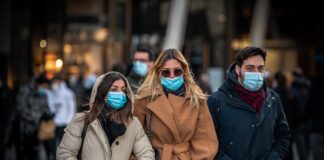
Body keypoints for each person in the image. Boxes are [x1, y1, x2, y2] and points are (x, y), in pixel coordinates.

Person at [207, 46, 291, 160]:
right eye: (250, 68)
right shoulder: (216, 101)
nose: (256, 73)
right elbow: (208, 142)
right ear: (238, 69)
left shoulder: (273, 99)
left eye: (260, 68)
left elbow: (283, 136)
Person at [134, 48, 218, 160]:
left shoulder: (196, 99)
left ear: (184, 72)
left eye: (177, 71)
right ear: (159, 74)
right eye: (166, 72)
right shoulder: (145, 97)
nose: (172, 76)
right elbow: (134, 136)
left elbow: (205, 141)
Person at [57, 71, 154, 160]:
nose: (120, 93)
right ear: (102, 93)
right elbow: (65, 154)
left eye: (123, 90)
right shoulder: (81, 121)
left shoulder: (133, 123)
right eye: (114, 89)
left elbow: (147, 154)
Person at [16, 75, 54, 160]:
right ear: (38, 84)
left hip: (40, 129)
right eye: (44, 87)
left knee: (38, 152)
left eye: (46, 87)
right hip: (26, 129)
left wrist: (48, 114)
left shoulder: (43, 94)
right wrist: (36, 116)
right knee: (27, 154)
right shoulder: (25, 91)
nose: (45, 89)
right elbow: (21, 109)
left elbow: (45, 107)